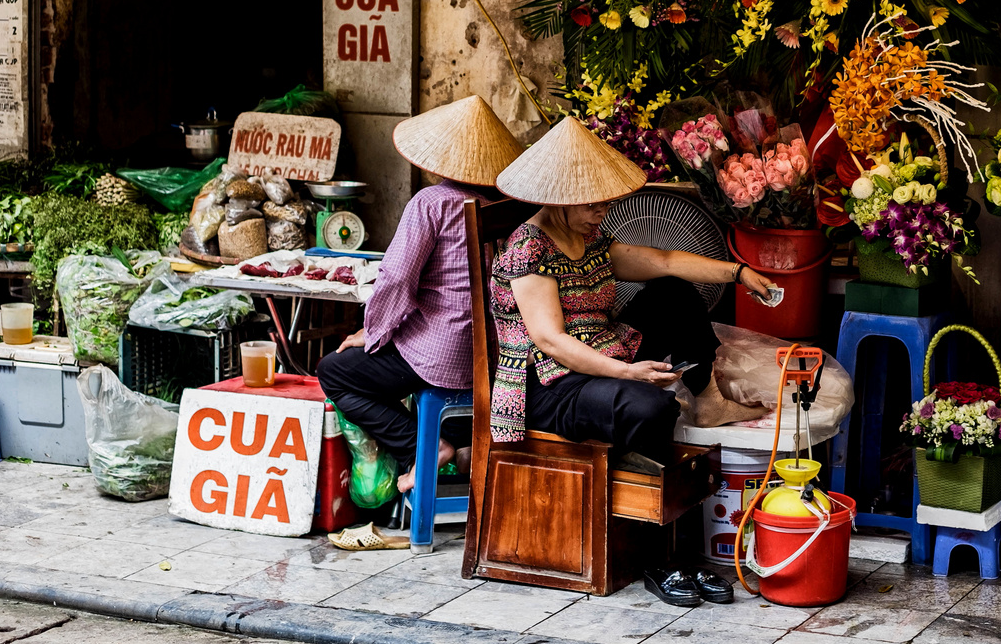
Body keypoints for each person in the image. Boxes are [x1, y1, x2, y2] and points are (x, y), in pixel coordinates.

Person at [489, 116, 779, 466]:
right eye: (592, 205)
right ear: (559, 200)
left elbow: (664, 261)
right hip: (552, 385)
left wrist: (738, 272)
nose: (602, 213)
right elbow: (551, 340)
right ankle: (634, 465)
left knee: (673, 293)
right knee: (652, 407)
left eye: (606, 204)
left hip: (601, 349)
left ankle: (709, 403)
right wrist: (629, 373)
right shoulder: (529, 249)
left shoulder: (587, 236)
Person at [317, 94, 523, 496]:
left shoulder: (431, 203)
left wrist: (372, 331)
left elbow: (395, 279)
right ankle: (455, 446)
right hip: (491, 356)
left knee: (334, 371)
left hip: (440, 356)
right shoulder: (506, 209)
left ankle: (427, 448)